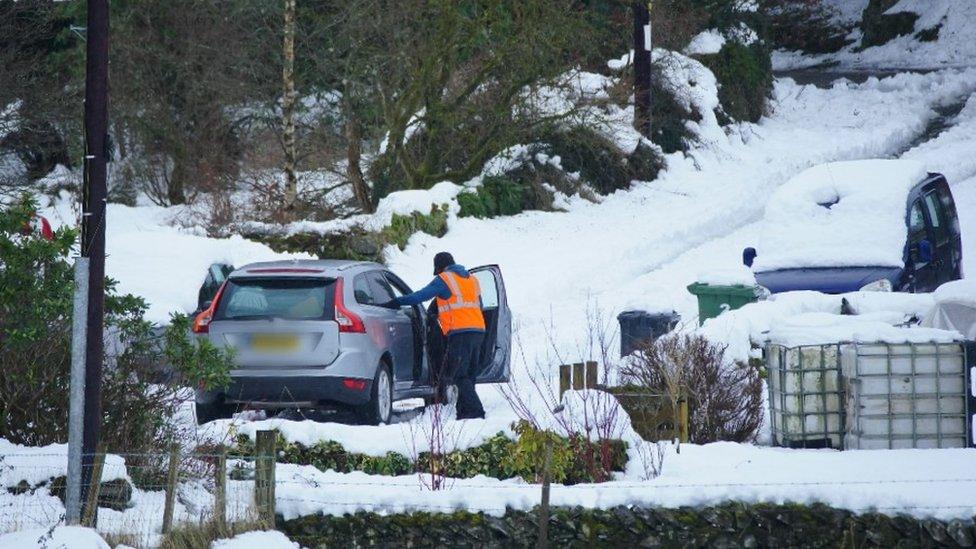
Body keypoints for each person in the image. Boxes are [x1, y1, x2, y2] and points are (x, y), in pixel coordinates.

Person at [383, 252, 486, 419]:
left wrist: (397, 301)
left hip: (460, 333)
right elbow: (479, 305)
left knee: (459, 375)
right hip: (479, 331)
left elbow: (420, 296)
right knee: (469, 375)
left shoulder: (444, 279)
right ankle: (464, 412)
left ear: (439, 267)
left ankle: (476, 412)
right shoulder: (472, 280)